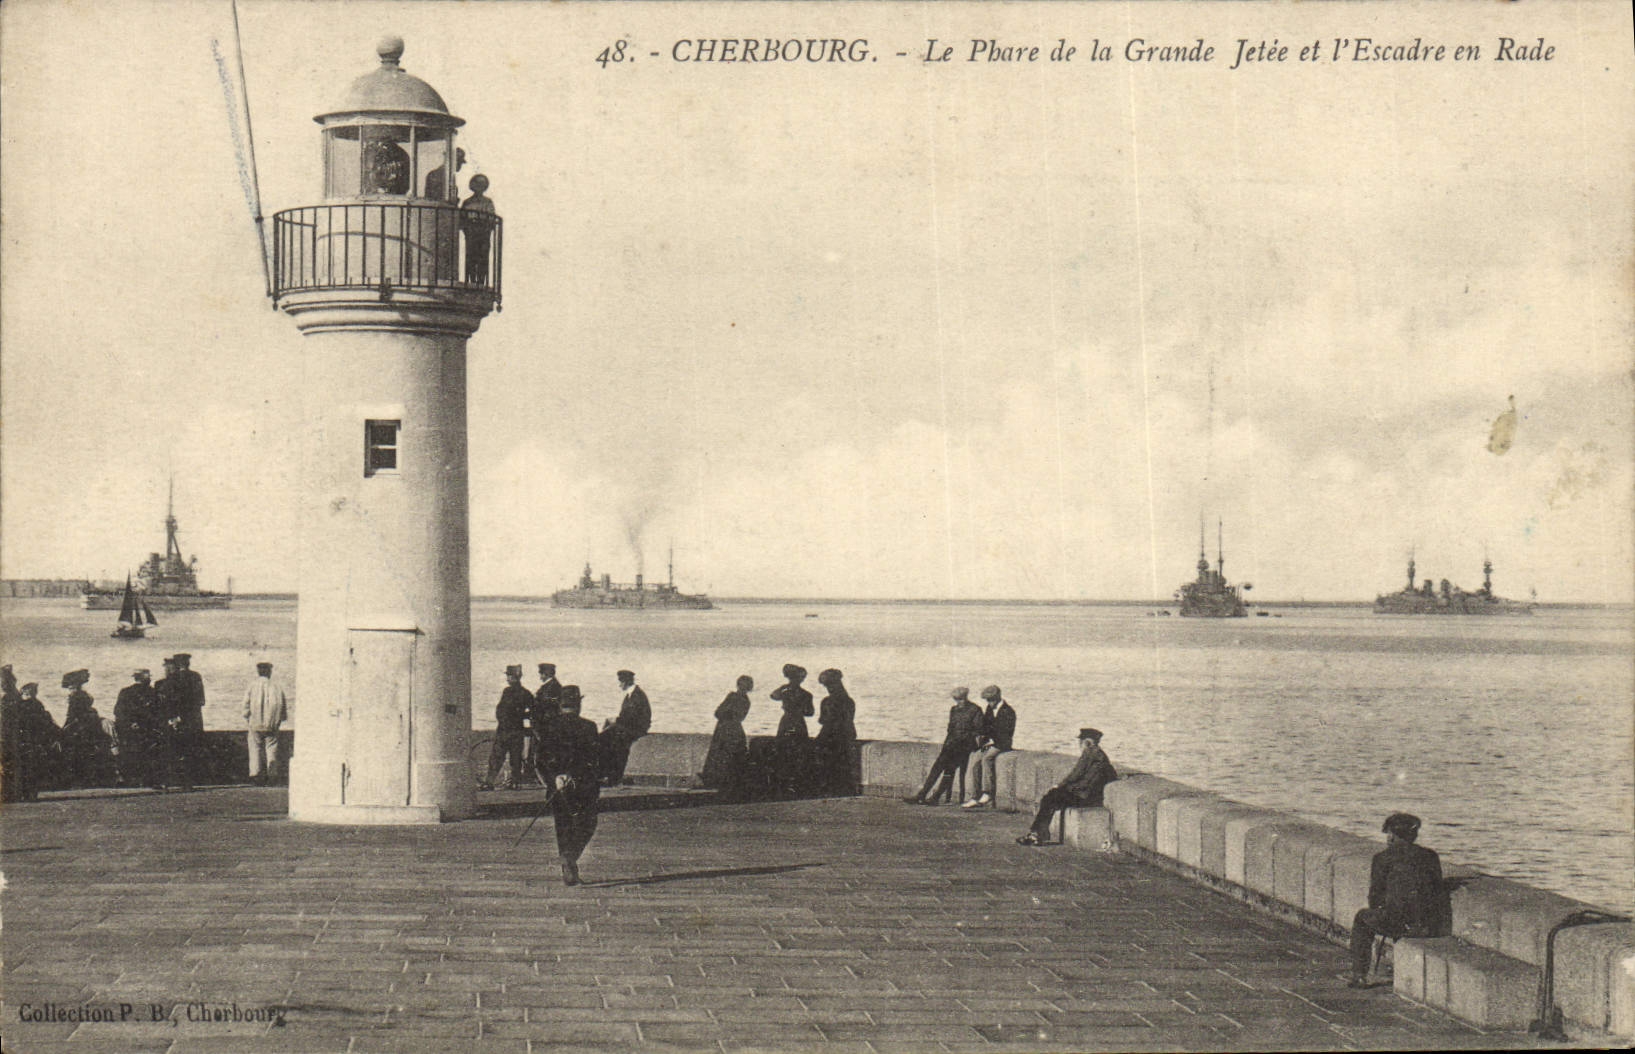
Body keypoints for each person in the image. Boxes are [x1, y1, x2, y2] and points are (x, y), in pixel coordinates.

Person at [1347, 812, 1451, 988]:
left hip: (1399, 923)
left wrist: (1382, 909)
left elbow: (1375, 897)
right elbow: (1437, 889)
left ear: (1392, 836)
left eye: (1389, 833)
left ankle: (1359, 975)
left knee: (1361, 918)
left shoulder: (1382, 858)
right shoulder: (1430, 856)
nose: (1388, 838)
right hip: (1427, 924)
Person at [538, 685, 602, 886]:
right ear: (579, 704)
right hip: (583, 786)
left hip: (557, 788)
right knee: (588, 823)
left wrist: (554, 778)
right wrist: (574, 774)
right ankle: (570, 858)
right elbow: (593, 760)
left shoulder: (548, 726)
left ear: (560, 704)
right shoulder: (589, 727)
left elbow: (540, 761)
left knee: (563, 826)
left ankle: (567, 861)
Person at [1017, 728, 1118, 845]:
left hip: (1084, 797)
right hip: (1087, 795)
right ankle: (1037, 833)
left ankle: (1037, 834)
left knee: (1050, 798)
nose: (1079, 745)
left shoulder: (1090, 754)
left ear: (1087, 742)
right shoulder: (1099, 755)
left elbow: (1077, 776)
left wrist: (1060, 786)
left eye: (1081, 742)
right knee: (1050, 798)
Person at [904, 686, 985, 805]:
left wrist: (964, 738)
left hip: (964, 746)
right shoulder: (954, 709)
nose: (959, 702)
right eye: (957, 699)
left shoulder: (975, 710)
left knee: (949, 769)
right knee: (937, 767)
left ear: (966, 697)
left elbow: (978, 730)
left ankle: (935, 797)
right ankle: (922, 794)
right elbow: (950, 729)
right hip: (951, 744)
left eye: (961, 699)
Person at [963, 685, 1016, 809]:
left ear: (997, 697)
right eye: (988, 700)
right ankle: (975, 796)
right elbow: (986, 726)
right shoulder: (989, 709)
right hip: (991, 742)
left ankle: (988, 793)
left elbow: (1006, 733)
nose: (989, 703)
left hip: (1002, 744)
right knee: (976, 760)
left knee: (987, 758)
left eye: (991, 700)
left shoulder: (1008, 711)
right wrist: (982, 738)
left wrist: (991, 742)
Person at [700, 675, 753, 797]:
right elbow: (723, 713)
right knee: (723, 754)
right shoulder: (741, 699)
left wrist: (726, 714)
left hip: (727, 729)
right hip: (729, 729)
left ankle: (721, 781)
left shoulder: (737, 698)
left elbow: (721, 713)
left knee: (723, 754)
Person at [482, 665, 531, 791]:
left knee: (497, 757)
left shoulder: (508, 692)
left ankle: (489, 782)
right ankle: (514, 783)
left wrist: (511, 718)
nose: (507, 678)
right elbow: (533, 711)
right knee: (515, 759)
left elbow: (500, 710)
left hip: (504, 730)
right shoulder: (525, 693)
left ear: (515, 677)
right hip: (515, 730)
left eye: (509, 676)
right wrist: (521, 716)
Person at [60, 676, 115, 788]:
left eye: (71, 687)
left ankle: (78, 780)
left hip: (81, 730)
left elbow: (71, 717)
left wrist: (64, 729)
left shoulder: (75, 698)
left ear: (75, 687)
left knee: (76, 753)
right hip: (90, 728)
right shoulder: (85, 697)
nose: (70, 690)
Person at [769, 664, 814, 797]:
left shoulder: (785, 692)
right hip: (798, 723)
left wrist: (784, 687)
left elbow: (773, 695)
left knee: (784, 751)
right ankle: (794, 783)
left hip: (787, 722)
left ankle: (784, 783)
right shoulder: (806, 694)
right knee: (797, 752)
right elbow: (810, 712)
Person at [599, 669, 650, 786]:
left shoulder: (637, 695)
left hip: (635, 729)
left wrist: (615, 720)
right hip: (630, 727)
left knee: (612, 742)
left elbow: (631, 717)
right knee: (605, 737)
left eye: (621, 682)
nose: (619, 685)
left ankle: (611, 776)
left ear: (626, 682)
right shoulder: (633, 694)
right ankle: (606, 774)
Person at [14, 678, 62, 799]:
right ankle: (31, 793)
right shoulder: (37, 704)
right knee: (32, 766)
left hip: (24, 739)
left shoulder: (20, 705)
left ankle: (24, 792)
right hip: (35, 740)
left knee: (24, 766)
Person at [114, 668, 162, 790]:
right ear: (144, 678)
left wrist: (130, 723)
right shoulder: (152, 692)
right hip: (147, 729)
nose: (150, 679)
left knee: (132, 752)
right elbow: (158, 711)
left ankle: (132, 779)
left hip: (132, 729)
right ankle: (149, 779)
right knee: (149, 752)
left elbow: (118, 711)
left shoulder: (125, 692)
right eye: (148, 677)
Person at [814, 668, 859, 797]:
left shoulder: (827, 702)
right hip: (846, 736)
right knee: (843, 767)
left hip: (830, 738)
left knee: (829, 767)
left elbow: (824, 721)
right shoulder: (849, 701)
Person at [242, 662, 288, 785]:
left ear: (258, 672)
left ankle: (255, 775)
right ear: (269, 671)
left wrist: (247, 717)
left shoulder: (252, 686)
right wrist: (279, 719)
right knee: (272, 748)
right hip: (272, 724)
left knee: (255, 748)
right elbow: (283, 707)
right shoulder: (277, 687)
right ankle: (272, 775)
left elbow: (245, 706)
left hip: (255, 723)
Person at [154, 656, 190, 791]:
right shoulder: (159, 684)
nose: (167, 669)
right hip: (164, 721)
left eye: (169, 667)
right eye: (166, 666)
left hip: (178, 721)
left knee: (180, 751)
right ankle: (166, 782)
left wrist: (178, 717)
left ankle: (183, 782)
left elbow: (185, 703)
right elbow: (157, 705)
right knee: (165, 752)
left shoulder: (182, 683)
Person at [173, 654, 207, 788]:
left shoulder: (173, 678)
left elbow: (171, 700)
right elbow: (202, 700)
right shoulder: (196, 676)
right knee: (193, 748)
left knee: (180, 748)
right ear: (188, 663)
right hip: (194, 718)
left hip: (179, 718)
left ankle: (180, 780)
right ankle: (191, 780)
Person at [459, 174, 496, 285]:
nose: (479, 187)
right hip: (471, 233)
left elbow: (491, 218)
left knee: (483, 258)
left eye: (482, 185)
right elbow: (462, 219)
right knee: (471, 257)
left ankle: (480, 282)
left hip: (483, 234)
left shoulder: (488, 202)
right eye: (477, 184)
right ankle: (472, 281)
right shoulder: (467, 202)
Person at [528, 662, 563, 779]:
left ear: (546, 674)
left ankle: (538, 776)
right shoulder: (554, 686)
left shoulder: (551, 688)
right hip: (545, 724)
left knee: (541, 751)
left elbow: (544, 707)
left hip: (544, 726)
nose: (540, 676)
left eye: (541, 673)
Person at [1, 665, 23, 802]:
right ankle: (12, 792)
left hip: (7, 734)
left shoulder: (8, 698)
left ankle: (8, 793)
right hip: (12, 734)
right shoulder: (15, 696)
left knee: (7, 762)